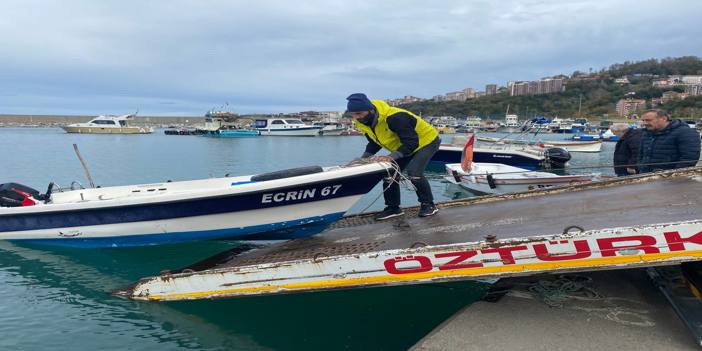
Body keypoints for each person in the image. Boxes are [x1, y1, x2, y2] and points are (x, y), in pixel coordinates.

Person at [346, 93, 441, 220]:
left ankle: (429, 205)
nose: (356, 117)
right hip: (405, 144)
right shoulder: (362, 122)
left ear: (370, 110)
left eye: (359, 113)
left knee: (414, 173)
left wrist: (392, 156)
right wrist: (364, 158)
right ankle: (393, 208)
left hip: (426, 141)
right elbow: (374, 142)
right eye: (353, 114)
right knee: (389, 173)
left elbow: (412, 142)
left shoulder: (395, 117)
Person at [637, 109, 700, 173]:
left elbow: (689, 158)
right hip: (646, 176)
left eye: (648, 120)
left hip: (670, 179)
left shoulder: (685, 132)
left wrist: (673, 175)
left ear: (664, 119)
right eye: (643, 120)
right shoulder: (647, 133)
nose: (645, 123)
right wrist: (640, 168)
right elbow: (641, 154)